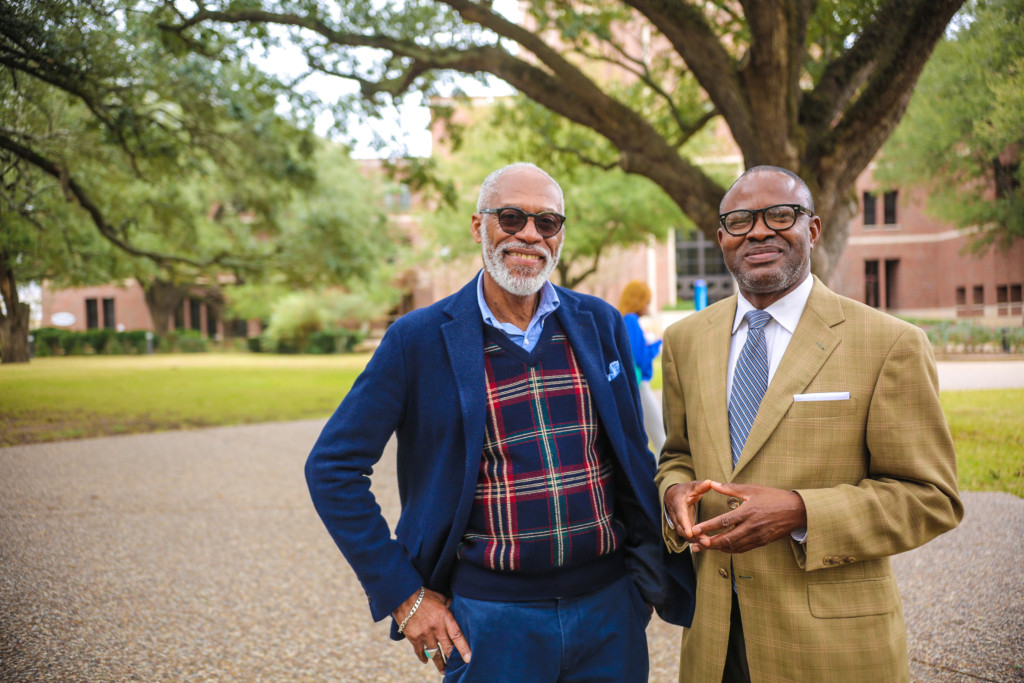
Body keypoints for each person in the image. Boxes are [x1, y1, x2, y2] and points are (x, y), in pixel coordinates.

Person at [306, 162, 695, 682]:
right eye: (511, 218)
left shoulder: (598, 322)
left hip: (609, 613)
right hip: (491, 621)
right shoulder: (416, 340)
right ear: (478, 226)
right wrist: (405, 595)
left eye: (547, 222)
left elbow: (630, 452)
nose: (530, 234)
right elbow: (331, 468)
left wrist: (640, 582)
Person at [656, 165, 963, 682]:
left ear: (813, 230)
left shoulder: (889, 343)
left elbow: (931, 497)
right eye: (739, 220)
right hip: (712, 643)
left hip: (831, 648)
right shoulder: (685, 340)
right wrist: (673, 494)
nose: (758, 231)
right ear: (722, 238)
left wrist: (802, 511)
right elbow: (678, 454)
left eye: (780, 215)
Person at [618, 280, 666, 452]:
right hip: (639, 386)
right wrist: (659, 345)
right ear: (637, 300)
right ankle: (666, 478)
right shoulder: (630, 320)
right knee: (661, 436)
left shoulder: (622, 320)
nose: (648, 305)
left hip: (634, 385)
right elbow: (640, 357)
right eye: (646, 301)